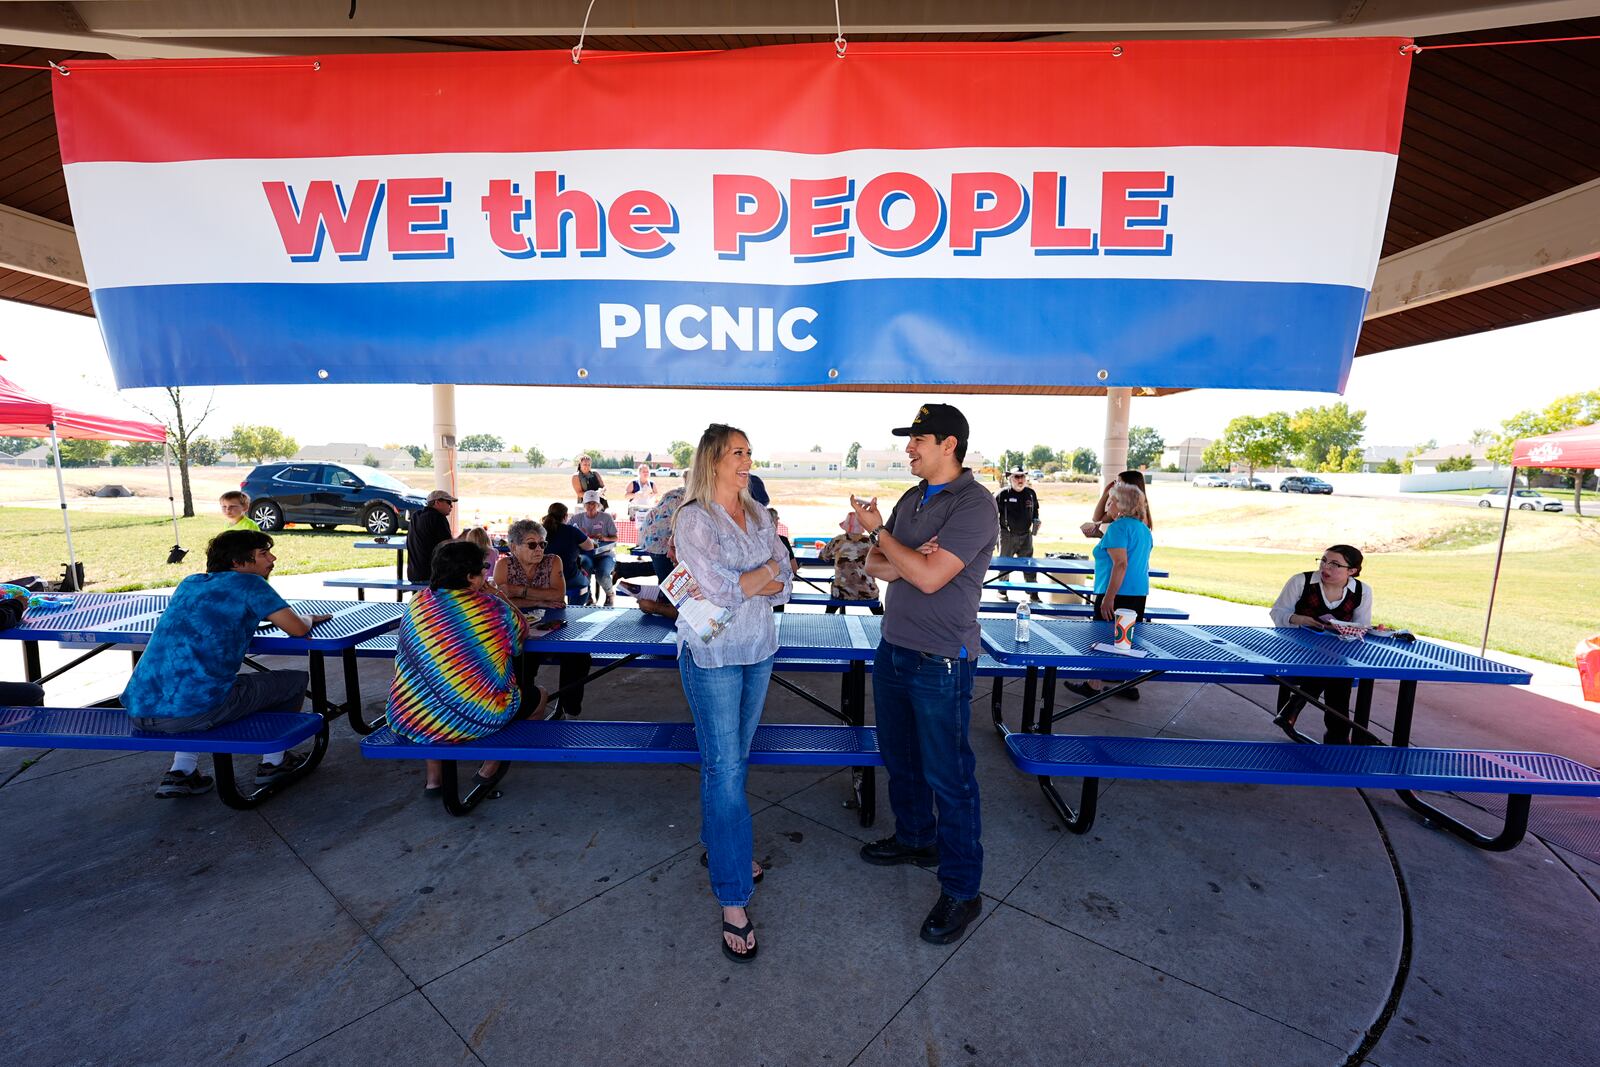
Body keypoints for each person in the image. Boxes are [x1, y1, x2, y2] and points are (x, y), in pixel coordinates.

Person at [850, 402, 996, 946]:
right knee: (901, 759)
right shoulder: (915, 498)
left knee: (949, 777)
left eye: (919, 439)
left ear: (949, 445)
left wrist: (884, 537)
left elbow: (929, 578)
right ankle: (915, 838)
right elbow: (877, 567)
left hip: (940, 656)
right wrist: (903, 553)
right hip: (895, 648)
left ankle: (963, 888)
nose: (909, 448)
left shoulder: (975, 505)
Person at [672, 422, 791, 962]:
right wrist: (763, 572)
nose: (746, 460)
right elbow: (718, 590)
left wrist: (762, 574)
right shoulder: (692, 518)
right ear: (713, 460)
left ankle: (723, 849)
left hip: (760, 648)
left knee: (732, 763)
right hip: (715, 656)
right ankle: (733, 897)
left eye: (749, 451)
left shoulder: (760, 513)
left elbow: (785, 580)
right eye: (737, 452)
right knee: (725, 769)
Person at [122, 530, 331, 798]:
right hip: (192, 712)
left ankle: (182, 771)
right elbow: (298, 629)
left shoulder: (190, 583)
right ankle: (274, 762)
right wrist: (310, 619)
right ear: (237, 562)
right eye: (263, 554)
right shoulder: (251, 584)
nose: (273, 558)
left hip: (139, 708)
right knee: (292, 682)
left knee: (201, 690)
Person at [387, 540, 546, 796]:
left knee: (432, 690)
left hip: (410, 714)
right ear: (471, 578)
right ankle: (489, 768)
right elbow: (521, 633)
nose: (487, 571)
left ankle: (434, 779)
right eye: (483, 568)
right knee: (539, 696)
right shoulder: (492, 609)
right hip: (474, 718)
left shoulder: (418, 602)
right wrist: (498, 595)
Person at [1269, 545, 1372, 744]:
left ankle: (1292, 710)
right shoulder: (1302, 581)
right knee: (1336, 671)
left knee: (1336, 669)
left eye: (1335, 564)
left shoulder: (1362, 591)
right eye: (1324, 561)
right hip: (1295, 650)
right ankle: (1338, 737)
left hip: (1336, 652)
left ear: (1352, 571)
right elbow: (1277, 613)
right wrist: (1300, 619)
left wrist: (1343, 628)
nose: (1326, 567)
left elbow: (1361, 626)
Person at [1063, 481, 1154, 703]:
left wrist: (1109, 597)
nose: (1107, 506)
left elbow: (1120, 564)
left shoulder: (1118, 528)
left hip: (1116, 592)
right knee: (1126, 641)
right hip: (1138, 593)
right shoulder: (1143, 528)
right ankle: (1128, 684)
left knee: (1101, 638)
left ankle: (1093, 685)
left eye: (1111, 501)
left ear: (1122, 506)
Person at [496, 518, 591, 719]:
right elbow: (500, 602)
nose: (539, 549)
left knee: (578, 653)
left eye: (542, 544)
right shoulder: (504, 565)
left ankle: (567, 708)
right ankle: (524, 706)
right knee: (520, 657)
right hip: (518, 630)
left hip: (554, 627)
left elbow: (558, 596)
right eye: (532, 544)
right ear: (514, 547)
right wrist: (541, 599)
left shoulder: (553, 560)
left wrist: (517, 591)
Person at [993, 467, 1041, 599]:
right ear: (1010, 479)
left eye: (1022, 477)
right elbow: (990, 513)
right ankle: (1002, 590)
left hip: (1026, 535)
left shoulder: (1031, 493)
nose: (1020, 480)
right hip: (1006, 535)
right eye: (1016, 477)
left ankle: (1032, 591)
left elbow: (1035, 510)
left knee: (1029, 564)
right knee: (1004, 564)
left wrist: (1036, 520)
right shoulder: (1002, 494)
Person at [818, 511, 879, 613]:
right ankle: (882, 620)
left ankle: (827, 621)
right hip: (867, 592)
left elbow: (823, 556)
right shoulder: (870, 542)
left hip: (841, 592)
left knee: (831, 608)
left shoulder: (838, 541)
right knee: (878, 609)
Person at [541, 502, 596, 604]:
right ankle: (574, 609)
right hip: (569, 577)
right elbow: (590, 546)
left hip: (543, 579)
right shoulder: (572, 530)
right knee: (585, 583)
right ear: (565, 516)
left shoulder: (540, 530)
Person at [571, 490, 619, 606]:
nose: (591, 506)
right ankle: (588, 597)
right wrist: (578, 534)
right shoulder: (576, 518)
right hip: (585, 554)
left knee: (602, 573)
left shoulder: (606, 518)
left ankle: (610, 594)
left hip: (605, 553)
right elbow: (567, 533)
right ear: (584, 505)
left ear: (598, 505)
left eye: (593, 503)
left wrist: (604, 538)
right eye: (588, 503)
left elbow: (615, 537)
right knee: (583, 570)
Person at [1081, 470, 1155, 539]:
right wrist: (1106, 493)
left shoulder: (1136, 518)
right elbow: (1097, 519)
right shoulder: (1125, 511)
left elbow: (1124, 549)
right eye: (1115, 482)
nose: (1115, 485)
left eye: (1118, 483)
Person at [406, 489, 457, 583]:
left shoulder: (416, 516)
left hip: (414, 574)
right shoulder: (438, 517)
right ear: (437, 502)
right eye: (448, 502)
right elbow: (449, 546)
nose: (451, 506)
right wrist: (464, 537)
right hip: (431, 575)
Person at [637, 486, 687, 582]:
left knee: (663, 570)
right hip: (658, 540)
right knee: (668, 580)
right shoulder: (681, 500)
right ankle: (663, 596)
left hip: (652, 536)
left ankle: (622, 569)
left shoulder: (676, 493)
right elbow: (681, 527)